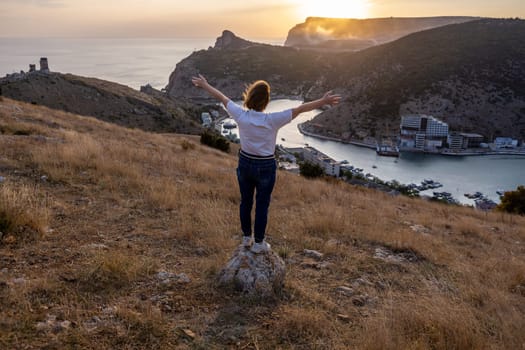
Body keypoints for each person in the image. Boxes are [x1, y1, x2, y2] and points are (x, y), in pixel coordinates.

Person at [191, 74, 341, 253]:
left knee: (245, 202)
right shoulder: (273, 120)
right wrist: (322, 101)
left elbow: (222, 97)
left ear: (249, 97)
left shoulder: (240, 114)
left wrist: (205, 85)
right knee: (262, 205)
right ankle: (258, 243)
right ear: (266, 101)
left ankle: (247, 238)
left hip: (245, 162)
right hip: (265, 167)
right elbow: (300, 109)